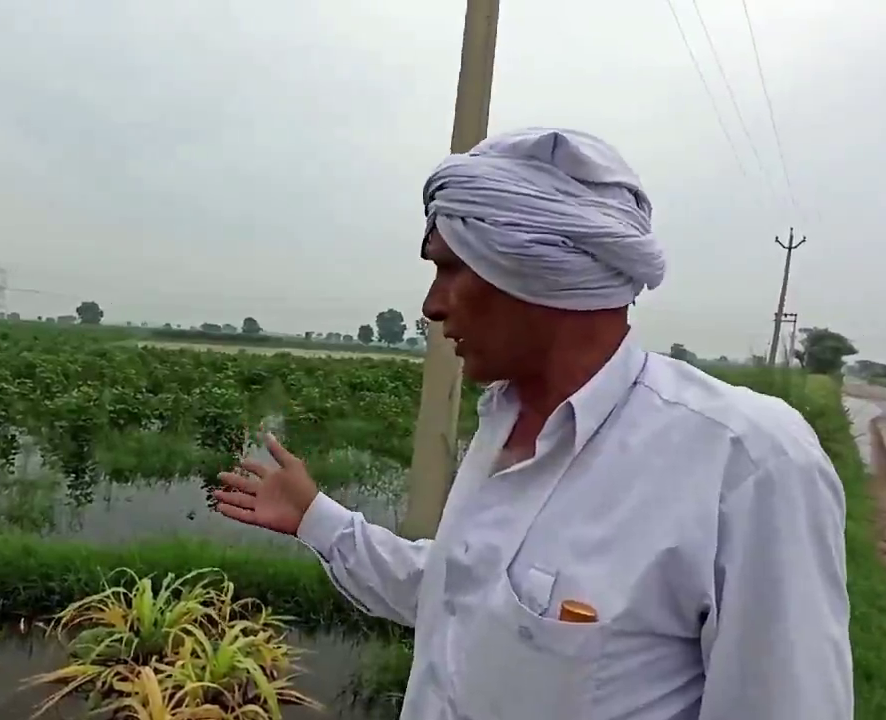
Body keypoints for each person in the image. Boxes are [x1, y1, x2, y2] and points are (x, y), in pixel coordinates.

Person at [213, 127, 853, 719]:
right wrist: (315, 518)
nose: (432, 306)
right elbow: (459, 594)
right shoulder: (503, 423)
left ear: (537, 269)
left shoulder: (746, 463)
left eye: (451, 267)